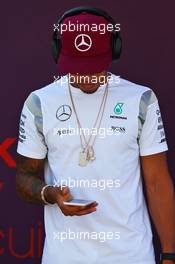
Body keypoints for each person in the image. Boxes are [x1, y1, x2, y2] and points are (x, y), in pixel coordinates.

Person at [16, 6, 175, 264]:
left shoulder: (141, 99)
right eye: (76, 66)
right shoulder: (40, 103)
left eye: (93, 65)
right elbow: (24, 176)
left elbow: (157, 181)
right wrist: (50, 194)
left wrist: (169, 252)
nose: (86, 75)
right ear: (59, 53)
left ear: (113, 51)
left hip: (131, 255)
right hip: (63, 257)